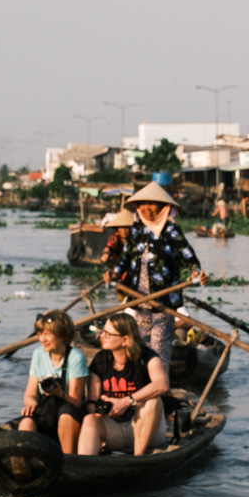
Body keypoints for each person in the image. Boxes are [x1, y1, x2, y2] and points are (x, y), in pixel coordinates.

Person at [108, 180, 203, 368]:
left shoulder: (171, 231)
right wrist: (114, 273)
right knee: (139, 346)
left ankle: (161, 390)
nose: (146, 208)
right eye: (142, 204)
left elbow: (190, 258)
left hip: (162, 301)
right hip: (138, 299)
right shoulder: (136, 230)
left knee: (159, 349)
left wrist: (196, 274)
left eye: (151, 204)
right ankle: (143, 387)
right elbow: (125, 259)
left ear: (162, 207)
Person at [78, 311, 170, 456]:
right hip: (114, 428)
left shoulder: (147, 356)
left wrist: (126, 402)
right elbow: (91, 403)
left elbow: (162, 384)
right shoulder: (100, 360)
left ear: (125, 340)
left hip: (144, 428)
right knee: (90, 420)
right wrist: (106, 410)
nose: (102, 337)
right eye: (103, 332)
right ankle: (84, 464)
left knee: (153, 401)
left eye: (108, 334)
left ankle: (138, 458)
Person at [17, 310, 87, 452]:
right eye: (40, 334)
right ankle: (26, 460)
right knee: (26, 420)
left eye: (47, 334)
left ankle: (69, 459)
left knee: (66, 412)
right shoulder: (38, 354)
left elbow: (76, 401)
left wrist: (60, 393)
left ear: (62, 335)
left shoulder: (75, 357)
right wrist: (30, 404)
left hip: (69, 411)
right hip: (46, 410)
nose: (42, 339)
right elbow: (29, 394)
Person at [99, 207, 134, 271]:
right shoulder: (115, 238)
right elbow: (110, 246)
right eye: (121, 227)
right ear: (117, 229)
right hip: (120, 269)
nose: (123, 231)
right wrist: (106, 253)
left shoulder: (135, 239)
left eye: (126, 227)